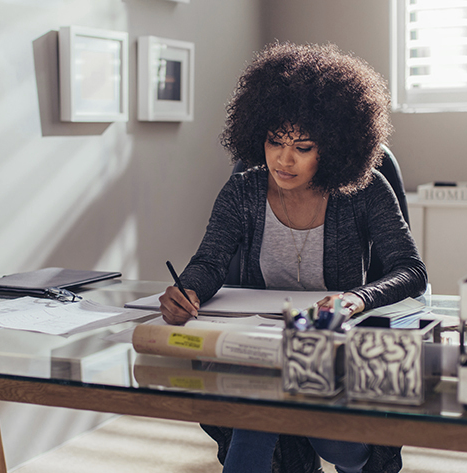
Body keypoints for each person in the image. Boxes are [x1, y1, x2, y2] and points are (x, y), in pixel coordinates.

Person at [159, 42, 427, 473]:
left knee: (340, 448)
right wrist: (186, 290)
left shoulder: (366, 190)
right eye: (274, 142)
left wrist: (355, 299)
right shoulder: (243, 190)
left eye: (302, 147)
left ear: (334, 147)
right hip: (266, 350)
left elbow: (411, 270)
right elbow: (210, 261)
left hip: (335, 350)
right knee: (259, 400)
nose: (283, 159)